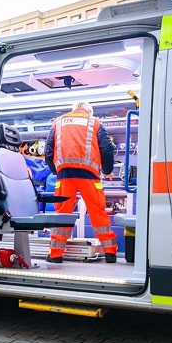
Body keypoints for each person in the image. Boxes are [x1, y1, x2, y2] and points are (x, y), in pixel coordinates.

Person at [44, 101, 118, 263]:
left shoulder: (58, 122)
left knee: (62, 214)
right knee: (98, 211)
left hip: (65, 175)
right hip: (90, 175)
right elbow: (106, 149)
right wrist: (106, 170)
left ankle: (55, 255)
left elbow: (48, 150)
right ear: (89, 111)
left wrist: (56, 170)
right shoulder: (94, 122)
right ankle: (110, 253)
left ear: (74, 109)